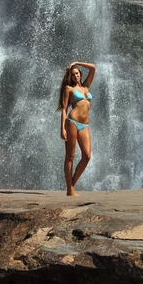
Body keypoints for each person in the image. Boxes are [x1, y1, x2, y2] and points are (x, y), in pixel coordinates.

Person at [57, 61, 96, 197]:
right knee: (70, 156)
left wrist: (76, 62)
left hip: (85, 125)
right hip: (72, 122)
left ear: (80, 74)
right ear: (70, 76)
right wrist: (62, 128)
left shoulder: (86, 87)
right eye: (73, 74)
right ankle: (70, 189)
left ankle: (72, 184)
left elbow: (93, 68)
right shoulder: (69, 89)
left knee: (87, 156)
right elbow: (64, 109)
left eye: (77, 73)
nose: (76, 76)